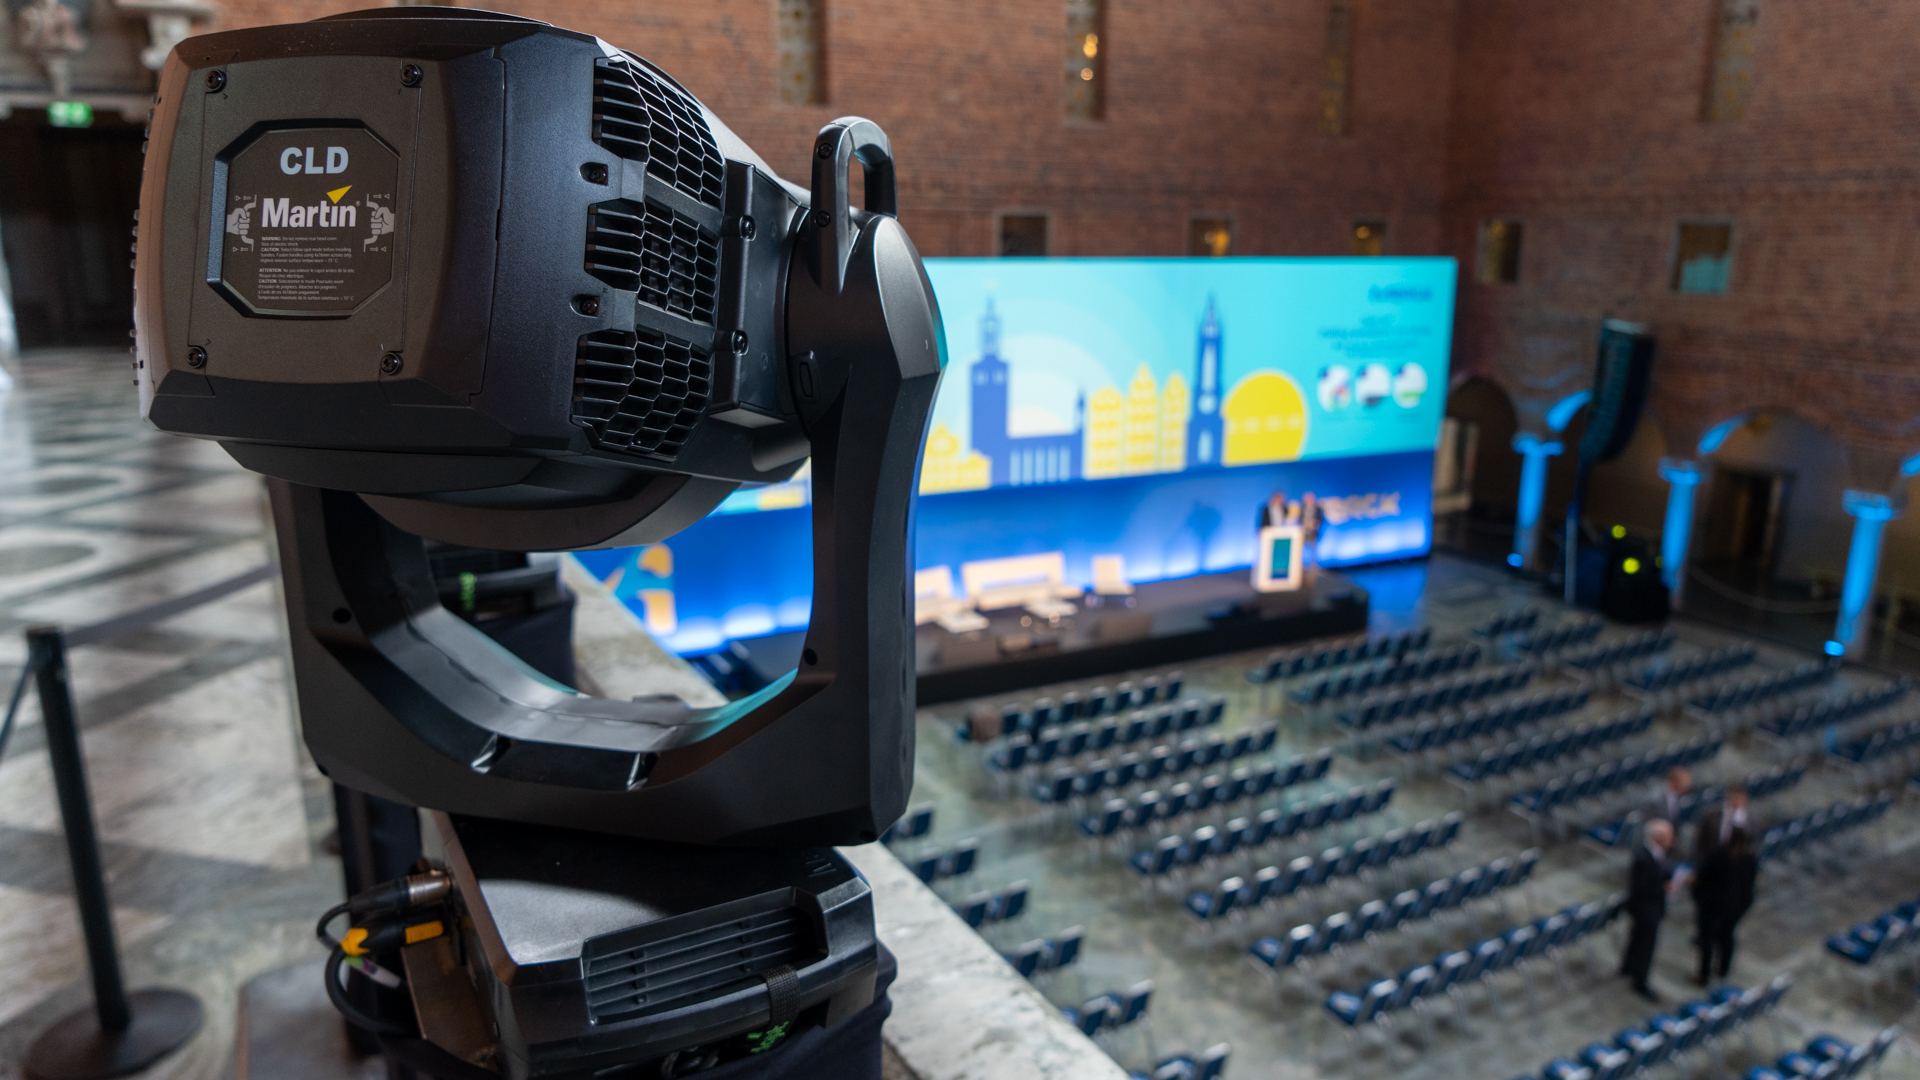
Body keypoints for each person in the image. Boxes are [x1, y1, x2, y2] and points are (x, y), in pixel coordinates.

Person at [1692, 825, 1758, 984]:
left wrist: (1697, 894)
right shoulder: (1750, 859)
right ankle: (1723, 971)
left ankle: (1703, 974)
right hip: (1736, 906)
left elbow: (1703, 876)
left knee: (1707, 938)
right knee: (1726, 936)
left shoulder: (1719, 854)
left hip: (1713, 905)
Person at [1622, 818, 1677, 1002]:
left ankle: (1628, 966)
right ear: (1658, 838)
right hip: (1645, 908)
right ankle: (1640, 980)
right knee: (1645, 945)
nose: (1672, 841)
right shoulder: (1643, 857)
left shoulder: (1658, 854)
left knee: (1638, 939)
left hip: (1652, 907)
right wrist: (1665, 887)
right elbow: (1643, 887)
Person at [1694, 784, 1749, 862]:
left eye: (1739, 798)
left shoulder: (1751, 822)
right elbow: (1700, 843)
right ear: (1728, 797)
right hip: (1712, 863)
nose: (1736, 802)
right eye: (1734, 797)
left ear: (1745, 799)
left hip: (1737, 864)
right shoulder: (1710, 816)